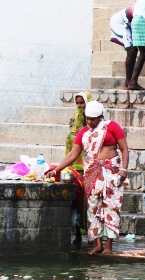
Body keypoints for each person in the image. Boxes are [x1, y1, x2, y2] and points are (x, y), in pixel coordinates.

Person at [46, 101, 129, 255]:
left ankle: (109, 246)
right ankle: (98, 244)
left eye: (93, 119)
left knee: (111, 206)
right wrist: (56, 169)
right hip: (92, 173)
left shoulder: (112, 127)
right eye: (88, 118)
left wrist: (124, 169)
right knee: (93, 207)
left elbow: (124, 149)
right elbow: (73, 154)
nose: (90, 122)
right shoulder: (83, 132)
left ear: (101, 116)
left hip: (112, 171)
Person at [65, 92, 92, 246]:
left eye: (82, 103)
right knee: (77, 204)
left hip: (90, 170)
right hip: (75, 171)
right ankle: (77, 234)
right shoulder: (74, 133)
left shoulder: (93, 130)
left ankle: (92, 235)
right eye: (78, 103)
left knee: (88, 203)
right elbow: (71, 153)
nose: (80, 107)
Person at [109, 6, 139, 89]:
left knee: (134, 49)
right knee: (132, 49)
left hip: (128, 26)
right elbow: (131, 16)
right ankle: (127, 82)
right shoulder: (135, 9)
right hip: (118, 24)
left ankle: (130, 82)